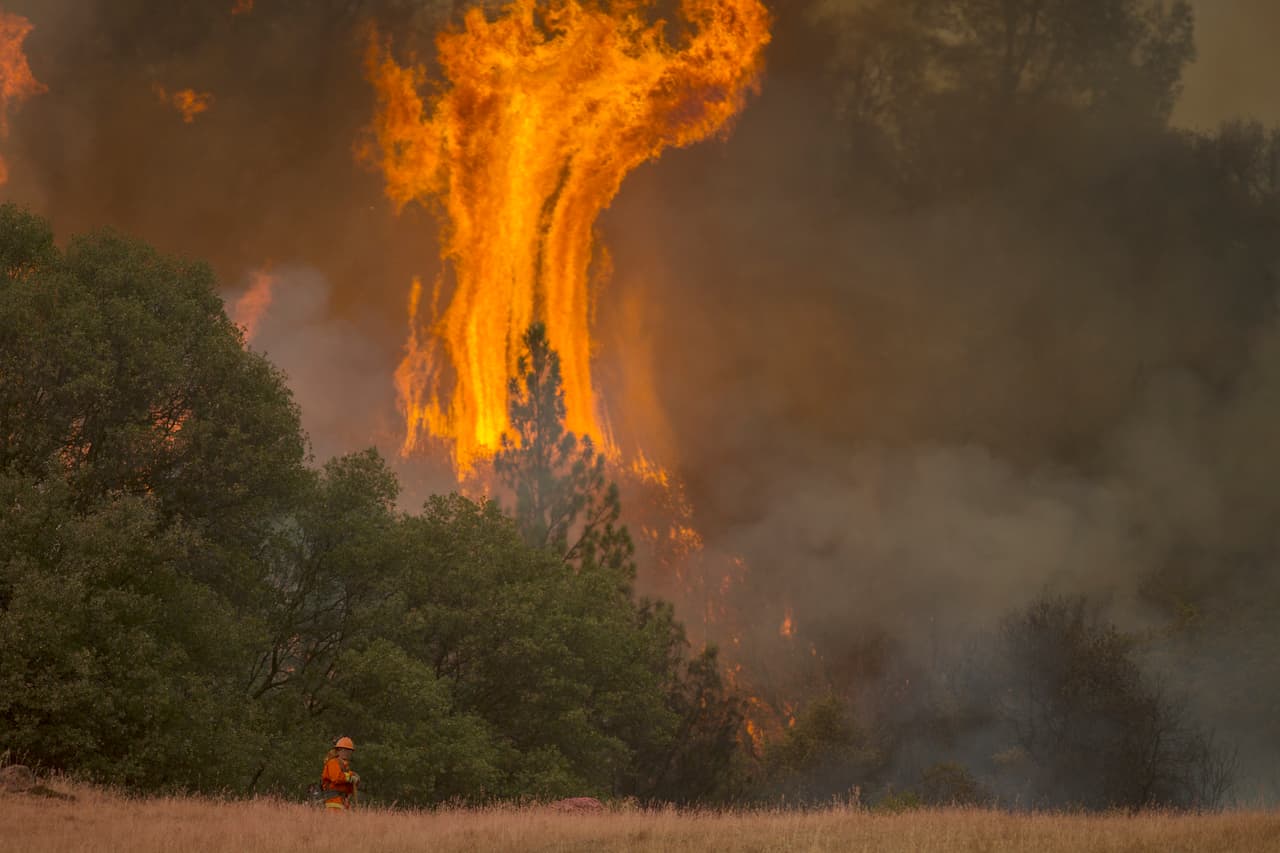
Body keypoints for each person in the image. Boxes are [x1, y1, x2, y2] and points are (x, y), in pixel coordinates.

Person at [320, 736, 360, 811]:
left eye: (349, 751)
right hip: (333, 802)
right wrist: (350, 777)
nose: (348, 753)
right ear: (339, 750)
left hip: (343, 801)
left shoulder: (345, 766)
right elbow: (336, 777)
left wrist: (356, 779)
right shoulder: (333, 762)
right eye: (346, 750)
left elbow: (348, 783)